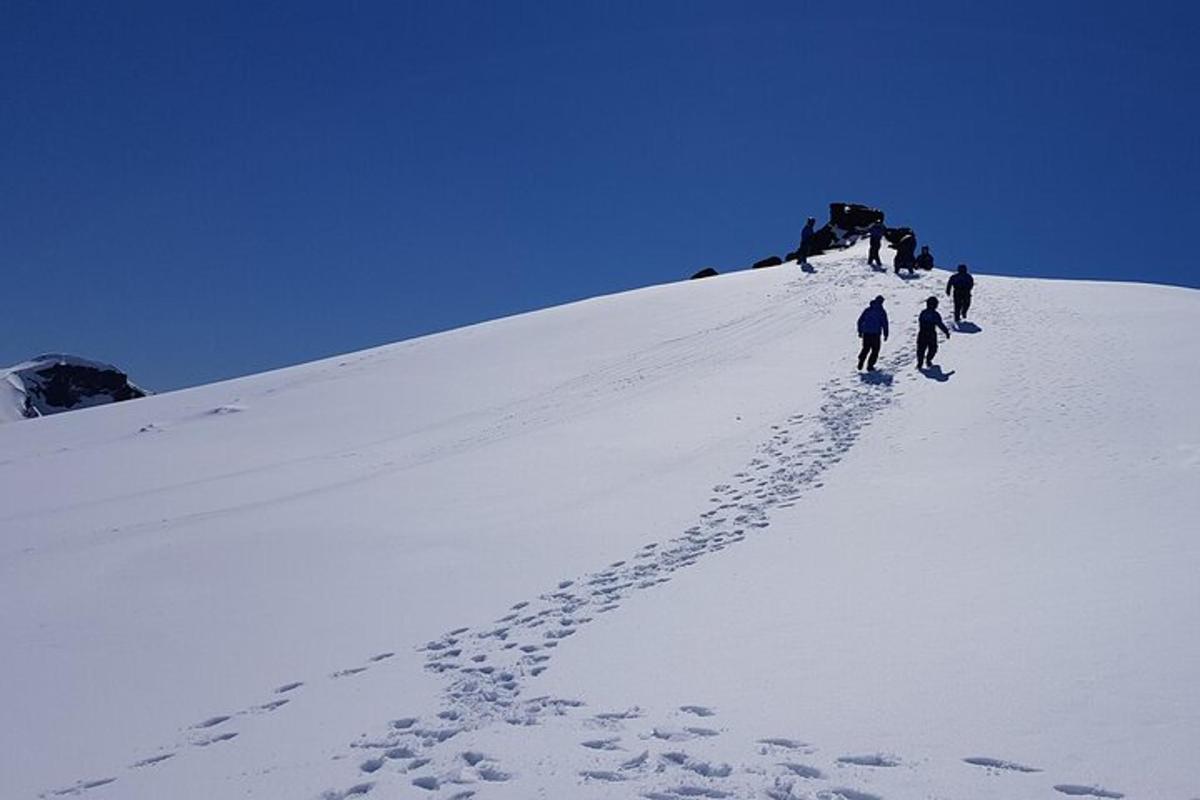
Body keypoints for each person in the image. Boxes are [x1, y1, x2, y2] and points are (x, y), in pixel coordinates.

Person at [856, 295, 889, 372]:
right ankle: (870, 366)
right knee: (875, 350)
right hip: (875, 334)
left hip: (866, 333)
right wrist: (886, 334)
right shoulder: (881, 311)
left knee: (866, 348)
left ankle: (861, 360)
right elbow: (885, 323)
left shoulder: (868, 310)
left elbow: (860, 321)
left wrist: (860, 331)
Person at [917, 296, 951, 369]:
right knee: (933, 348)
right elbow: (940, 324)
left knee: (921, 349)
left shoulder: (923, 313)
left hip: (922, 333)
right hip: (931, 334)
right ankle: (928, 360)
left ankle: (920, 363)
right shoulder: (935, 314)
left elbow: (920, 321)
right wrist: (946, 332)